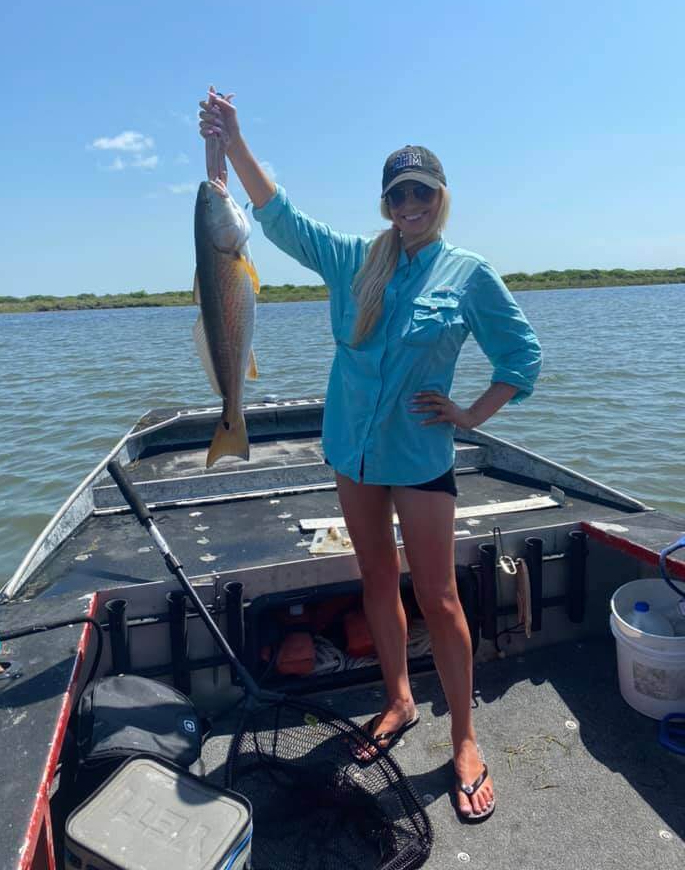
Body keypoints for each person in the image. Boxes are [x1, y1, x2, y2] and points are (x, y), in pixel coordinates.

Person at [199, 88, 542, 822]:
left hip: (420, 458)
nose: (409, 204)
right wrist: (231, 141)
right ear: (385, 203)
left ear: (441, 197)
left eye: (421, 191)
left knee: (440, 597)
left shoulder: (469, 273)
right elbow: (281, 217)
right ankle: (397, 699)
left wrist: (471, 413)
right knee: (376, 581)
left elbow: (522, 356)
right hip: (350, 455)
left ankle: (466, 738)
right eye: (397, 194)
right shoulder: (355, 260)